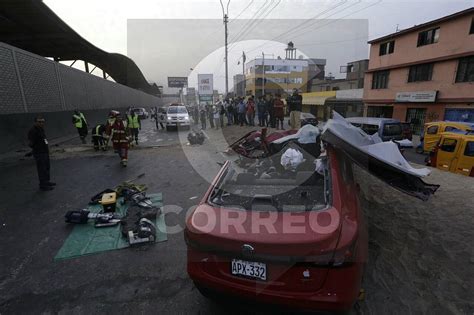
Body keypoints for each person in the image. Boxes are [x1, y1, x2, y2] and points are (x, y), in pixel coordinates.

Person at [28, 116, 55, 191]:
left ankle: (47, 181)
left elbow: (44, 139)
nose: (41, 123)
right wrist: (37, 148)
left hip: (45, 152)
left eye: (42, 122)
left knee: (46, 167)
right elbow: (31, 143)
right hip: (39, 153)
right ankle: (43, 185)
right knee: (41, 169)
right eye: (39, 122)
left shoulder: (41, 129)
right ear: (35, 122)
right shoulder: (33, 131)